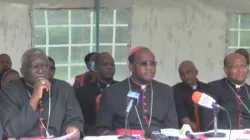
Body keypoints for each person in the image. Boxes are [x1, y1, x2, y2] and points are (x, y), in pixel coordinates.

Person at [0, 48, 83, 139]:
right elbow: (11, 131)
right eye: (35, 67)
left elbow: (75, 119)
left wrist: (73, 129)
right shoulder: (8, 91)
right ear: (22, 71)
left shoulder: (64, 88)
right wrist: (35, 97)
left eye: (45, 66)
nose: (41, 71)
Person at [95, 46, 178, 136]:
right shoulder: (112, 92)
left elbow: (172, 128)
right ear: (131, 67)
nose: (149, 67)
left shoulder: (166, 91)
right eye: (143, 64)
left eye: (152, 63)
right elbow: (102, 128)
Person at [75, 52, 118, 136]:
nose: (109, 67)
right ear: (96, 67)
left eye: (112, 64)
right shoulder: (81, 92)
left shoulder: (121, 89)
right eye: (104, 64)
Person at [208, 53, 250, 129]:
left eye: (243, 66)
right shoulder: (213, 88)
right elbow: (209, 120)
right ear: (226, 70)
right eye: (235, 66)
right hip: (225, 134)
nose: (240, 70)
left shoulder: (248, 89)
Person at [173, 60, 211, 132]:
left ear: (196, 72)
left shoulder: (207, 88)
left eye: (188, 72)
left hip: (208, 130)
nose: (186, 76)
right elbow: (184, 120)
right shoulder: (176, 90)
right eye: (182, 74)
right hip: (186, 132)